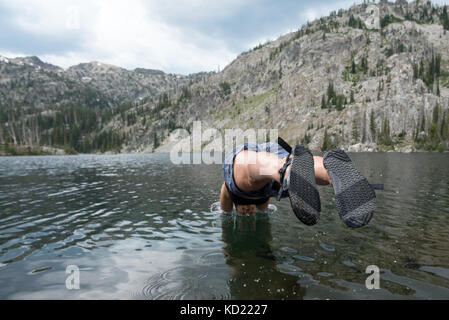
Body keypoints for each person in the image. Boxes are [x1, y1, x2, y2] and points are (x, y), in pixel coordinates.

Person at [220, 139, 379, 228]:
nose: (247, 211)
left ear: (236, 207)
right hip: (274, 156)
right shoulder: (262, 206)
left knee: (243, 178)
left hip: (248, 159)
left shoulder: (231, 196)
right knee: (290, 164)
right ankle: (331, 172)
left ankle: (287, 170)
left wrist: (227, 218)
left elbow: (225, 199)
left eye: (242, 210)